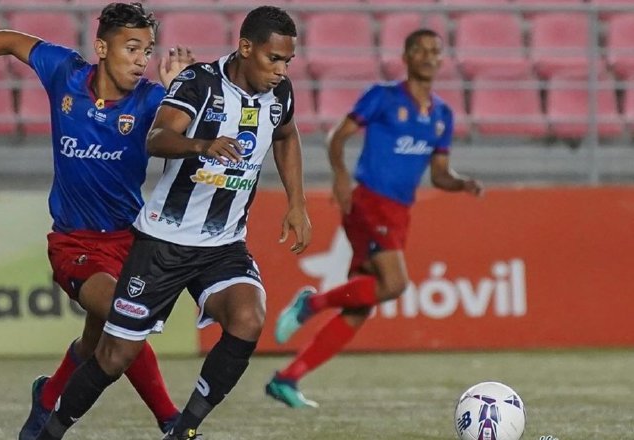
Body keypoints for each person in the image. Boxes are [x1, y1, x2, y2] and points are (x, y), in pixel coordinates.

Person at [0, 2, 194, 437]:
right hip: (74, 244)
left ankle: (47, 396)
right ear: (101, 47)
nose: (141, 59)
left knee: (97, 339)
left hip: (129, 243)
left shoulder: (152, 99)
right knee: (125, 318)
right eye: (131, 48)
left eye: (147, 51)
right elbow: (7, 40)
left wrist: (179, 97)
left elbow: (180, 139)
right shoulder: (65, 73)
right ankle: (172, 422)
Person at [33, 6, 310, 440]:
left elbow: (287, 135)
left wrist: (297, 202)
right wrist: (204, 144)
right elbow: (157, 137)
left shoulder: (281, 94)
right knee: (114, 355)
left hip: (223, 245)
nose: (280, 70)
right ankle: (50, 429)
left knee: (248, 318)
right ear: (245, 47)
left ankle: (183, 430)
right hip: (162, 241)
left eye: (287, 62)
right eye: (273, 59)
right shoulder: (198, 82)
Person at [266, 28, 484, 408]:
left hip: (400, 213)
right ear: (406, 56)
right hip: (368, 202)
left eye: (437, 51)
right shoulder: (383, 97)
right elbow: (338, 135)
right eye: (422, 50)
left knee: (360, 306)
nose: (431, 56)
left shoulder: (442, 115)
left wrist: (461, 183)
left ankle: (287, 378)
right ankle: (310, 305)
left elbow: (439, 174)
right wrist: (340, 176)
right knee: (396, 283)